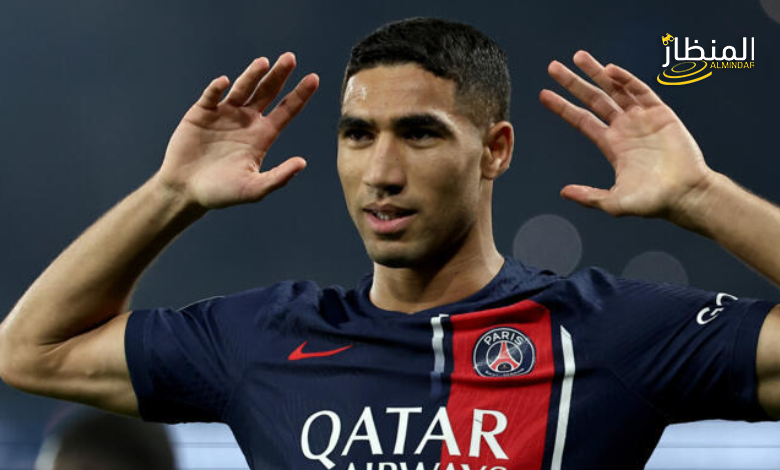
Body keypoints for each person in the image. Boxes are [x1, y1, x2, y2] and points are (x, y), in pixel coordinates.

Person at [0, 16, 778, 470]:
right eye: (357, 134)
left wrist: (702, 197)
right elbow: (31, 351)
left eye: (419, 134)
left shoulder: (606, 332)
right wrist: (171, 195)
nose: (381, 171)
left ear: (495, 150)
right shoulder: (263, 338)